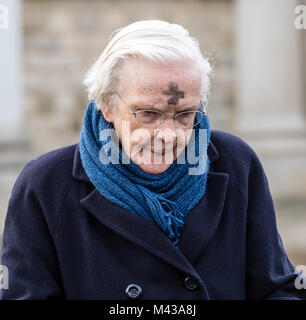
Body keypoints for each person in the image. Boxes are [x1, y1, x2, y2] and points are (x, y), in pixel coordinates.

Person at [0, 20, 305, 300]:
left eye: (185, 115)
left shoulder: (236, 162)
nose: (169, 135)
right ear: (106, 105)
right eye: (148, 114)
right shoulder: (45, 185)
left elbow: (275, 289)